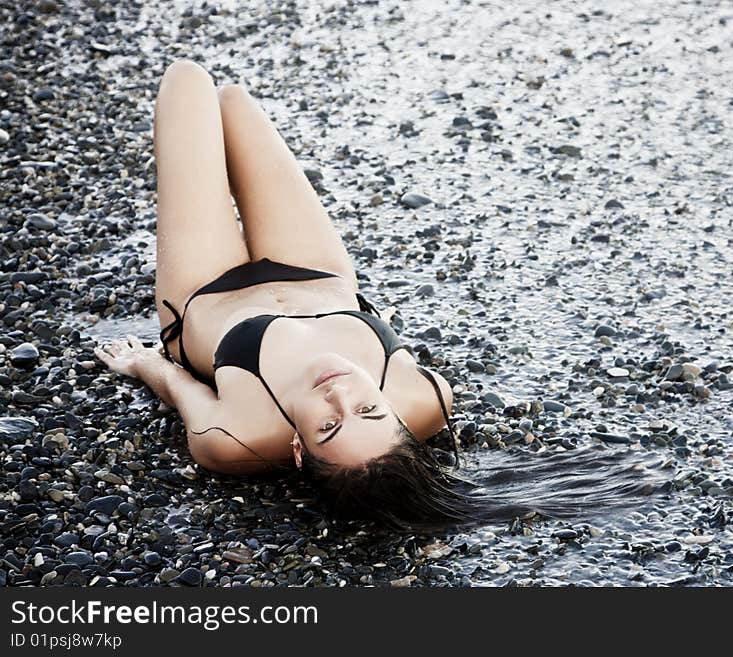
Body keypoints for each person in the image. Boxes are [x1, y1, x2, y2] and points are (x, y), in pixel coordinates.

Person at [93, 59, 472, 529]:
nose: (338, 395)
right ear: (398, 414)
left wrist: (139, 362)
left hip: (205, 290)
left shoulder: (234, 439)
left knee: (186, 80)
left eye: (328, 426)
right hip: (314, 270)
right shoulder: (430, 397)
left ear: (298, 449)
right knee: (233, 103)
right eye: (369, 409)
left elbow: (176, 384)